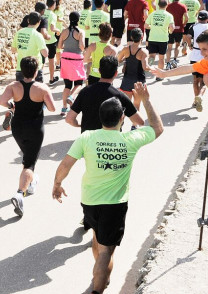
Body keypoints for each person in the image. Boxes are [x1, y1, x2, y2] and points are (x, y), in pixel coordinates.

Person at [54, 84, 163, 294]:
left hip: (89, 202)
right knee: (106, 251)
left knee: (97, 237)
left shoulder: (87, 138)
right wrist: (146, 99)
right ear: (122, 118)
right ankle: (97, 289)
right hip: (115, 205)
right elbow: (157, 128)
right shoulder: (130, 140)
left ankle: (101, 276)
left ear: (100, 117)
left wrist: (57, 184)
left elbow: (65, 165)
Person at [0, 57, 56, 217]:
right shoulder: (41, 88)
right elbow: (52, 108)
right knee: (29, 164)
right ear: (36, 71)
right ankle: (19, 193)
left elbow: (2, 101)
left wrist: (12, 105)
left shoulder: (13, 86)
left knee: (27, 155)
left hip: (17, 128)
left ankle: (31, 183)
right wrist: (42, 101)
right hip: (35, 129)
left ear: (21, 70)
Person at [66, 56, 144, 133]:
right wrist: (136, 102)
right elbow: (140, 122)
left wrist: (80, 125)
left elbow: (69, 119)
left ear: (99, 71)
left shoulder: (85, 91)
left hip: (88, 139)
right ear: (116, 73)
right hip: (111, 142)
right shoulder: (120, 96)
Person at [184, 11, 208, 112]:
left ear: (198, 18)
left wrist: (190, 45)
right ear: (207, 18)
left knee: (195, 80)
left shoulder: (193, 26)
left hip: (195, 55)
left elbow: (187, 37)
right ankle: (200, 96)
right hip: (207, 56)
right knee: (204, 81)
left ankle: (195, 100)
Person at [58, 12, 86, 116]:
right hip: (76, 60)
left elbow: (60, 46)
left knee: (67, 85)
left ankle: (64, 108)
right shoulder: (80, 32)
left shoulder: (64, 31)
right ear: (78, 20)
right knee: (79, 83)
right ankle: (72, 97)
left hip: (65, 59)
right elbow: (82, 47)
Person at [117, 29, 150, 113]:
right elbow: (145, 67)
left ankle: (120, 124)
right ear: (142, 37)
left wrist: (126, 59)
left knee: (124, 105)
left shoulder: (125, 49)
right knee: (136, 105)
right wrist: (152, 68)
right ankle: (134, 125)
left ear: (131, 37)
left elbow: (118, 59)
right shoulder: (144, 51)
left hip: (127, 80)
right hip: (138, 81)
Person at [12, 12, 48, 83]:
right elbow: (45, 54)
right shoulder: (37, 35)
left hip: (21, 67)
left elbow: (13, 50)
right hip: (35, 69)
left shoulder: (19, 32)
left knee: (21, 93)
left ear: (28, 20)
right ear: (39, 22)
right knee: (37, 93)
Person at [145, 0, 175, 76]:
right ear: (167, 5)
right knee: (161, 58)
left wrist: (153, 27)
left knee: (151, 56)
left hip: (152, 38)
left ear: (158, 5)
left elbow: (146, 25)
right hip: (163, 39)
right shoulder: (169, 15)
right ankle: (160, 75)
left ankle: (148, 68)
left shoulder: (153, 14)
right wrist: (170, 31)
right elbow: (172, 27)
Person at [165, 0, 188, 69]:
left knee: (169, 47)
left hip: (170, 28)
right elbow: (186, 17)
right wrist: (183, 24)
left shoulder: (168, 6)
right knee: (177, 45)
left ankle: (168, 63)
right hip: (179, 28)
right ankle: (174, 60)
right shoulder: (183, 6)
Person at [43, 0, 61, 85]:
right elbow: (52, 28)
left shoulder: (42, 13)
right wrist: (58, 31)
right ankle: (51, 78)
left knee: (41, 60)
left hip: (42, 39)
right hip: (51, 40)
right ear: (54, 5)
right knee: (51, 60)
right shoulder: (52, 15)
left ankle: (39, 78)